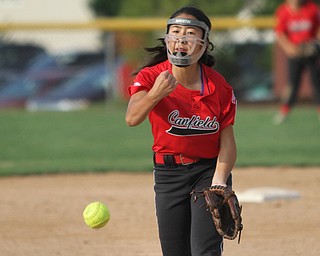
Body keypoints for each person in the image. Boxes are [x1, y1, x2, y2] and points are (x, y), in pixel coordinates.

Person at [125, 6, 237, 256]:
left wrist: (219, 181)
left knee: (204, 251)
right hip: (168, 174)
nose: (181, 39)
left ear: (204, 44)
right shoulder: (151, 76)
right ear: (167, 39)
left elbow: (227, 142)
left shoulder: (219, 86)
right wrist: (156, 93)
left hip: (207, 172)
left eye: (189, 33)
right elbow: (132, 118)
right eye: (175, 32)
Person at [273, 0, 320, 124]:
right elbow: (280, 33)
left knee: (317, 83)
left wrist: (315, 44)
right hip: (295, 53)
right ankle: (284, 111)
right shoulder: (283, 11)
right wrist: (289, 48)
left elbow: (318, 28)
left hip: (311, 52)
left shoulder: (311, 8)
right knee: (293, 84)